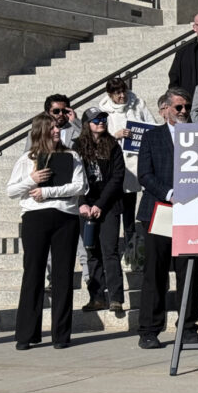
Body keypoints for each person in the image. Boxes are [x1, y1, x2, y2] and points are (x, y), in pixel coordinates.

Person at [6, 112, 86, 350]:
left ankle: (61, 335)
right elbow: (11, 191)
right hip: (35, 218)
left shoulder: (72, 156)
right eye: (51, 127)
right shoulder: (26, 159)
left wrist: (48, 192)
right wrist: (32, 179)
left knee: (63, 275)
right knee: (33, 273)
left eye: (57, 127)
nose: (56, 130)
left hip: (65, 218)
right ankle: (26, 334)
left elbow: (81, 186)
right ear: (40, 130)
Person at [135, 89, 198, 350]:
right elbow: (145, 175)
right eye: (178, 107)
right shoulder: (152, 137)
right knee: (155, 273)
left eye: (186, 107)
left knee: (189, 272)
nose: (184, 111)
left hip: (190, 213)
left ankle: (187, 327)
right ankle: (149, 330)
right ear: (164, 109)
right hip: (160, 211)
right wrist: (170, 194)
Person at [74, 107, 127, 315]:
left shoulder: (112, 145)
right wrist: (83, 203)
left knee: (109, 251)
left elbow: (117, 177)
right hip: (86, 206)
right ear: (87, 124)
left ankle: (115, 298)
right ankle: (96, 297)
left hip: (109, 205)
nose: (101, 122)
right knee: (91, 251)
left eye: (103, 119)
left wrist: (100, 204)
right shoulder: (77, 146)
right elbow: (74, 178)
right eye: (96, 120)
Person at [97, 75, 157, 249]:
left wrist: (141, 134)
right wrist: (116, 135)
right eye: (117, 93)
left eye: (123, 91)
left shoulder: (138, 103)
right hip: (115, 165)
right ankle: (114, 246)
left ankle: (132, 247)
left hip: (136, 163)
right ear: (109, 94)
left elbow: (152, 126)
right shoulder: (103, 111)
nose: (122, 96)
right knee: (115, 207)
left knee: (130, 207)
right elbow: (97, 138)